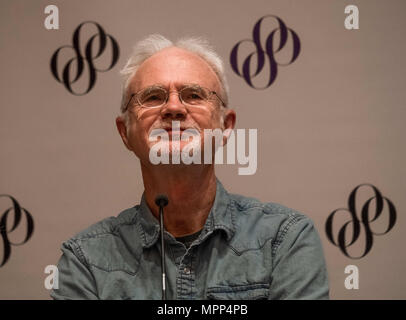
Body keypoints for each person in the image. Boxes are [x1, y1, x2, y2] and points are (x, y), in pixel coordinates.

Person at [51, 34, 329, 300]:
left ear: (225, 127)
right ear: (125, 132)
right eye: (153, 97)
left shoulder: (285, 240)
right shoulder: (86, 260)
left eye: (194, 95)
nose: (173, 107)